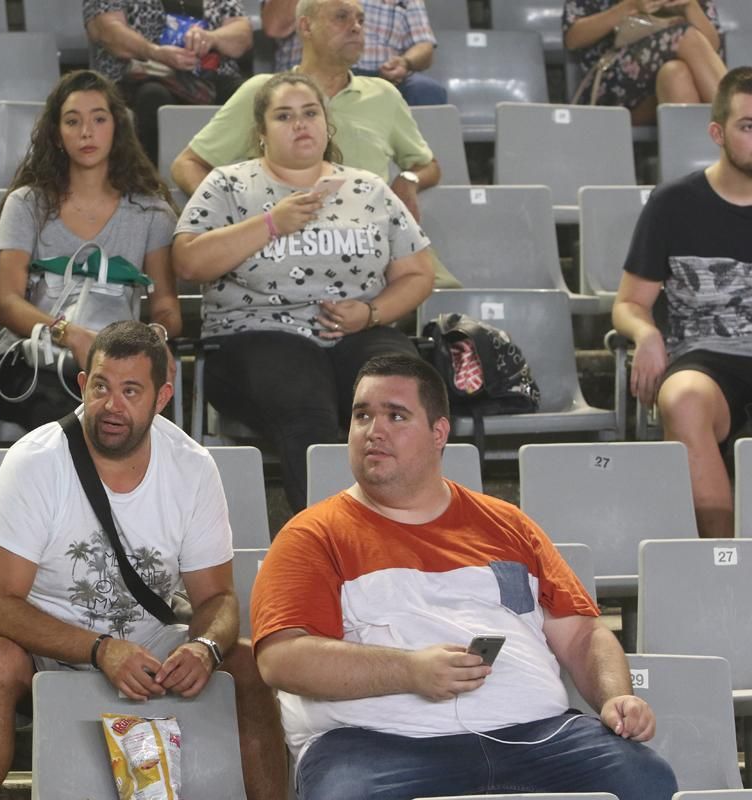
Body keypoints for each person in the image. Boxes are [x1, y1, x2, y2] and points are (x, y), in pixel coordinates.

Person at [251, 353, 679, 800]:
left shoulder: (508, 524)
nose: (373, 431)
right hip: (377, 744)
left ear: (439, 433)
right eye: (362, 416)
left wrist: (615, 698)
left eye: (395, 416)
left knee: (644, 778)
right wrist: (409, 671)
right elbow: (283, 659)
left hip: (536, 736)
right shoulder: (311, 536)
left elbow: (582, 635)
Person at [0, 320, 288, 800]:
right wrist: (100, 649)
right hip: (39, 635)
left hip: (147, 640)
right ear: (80, 385)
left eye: (131, 391)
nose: (113, 405)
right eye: (101, 387)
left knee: (249, 665)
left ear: (162, 397)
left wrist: (204, 649)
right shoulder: (35, 461)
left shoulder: (192, 468)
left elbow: (216, 597)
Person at [172, 71, 434, 512]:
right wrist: (271, 223)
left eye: (310, 113)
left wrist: (369, 312)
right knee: (305, 403)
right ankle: (326, 543)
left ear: (326, 123)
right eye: (284, 116)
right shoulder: (228, 185)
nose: (300, 124)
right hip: (256, 333)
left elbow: (418, 273)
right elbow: (188, 261)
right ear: (261, 133)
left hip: (357, 328)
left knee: (404, 387)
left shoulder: (367, 187)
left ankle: (411, 528)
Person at [0, 69, 182, 432]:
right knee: (76, 417)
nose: (86, 132)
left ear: (117, 129)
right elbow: (7, 303)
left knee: (133, 411)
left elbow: (167, 307)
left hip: (119, 363)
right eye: (72, 121)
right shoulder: (27, 203)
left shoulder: (151, 211)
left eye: (99, 119)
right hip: (34, 362)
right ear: (57, 136)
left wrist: (155, 335)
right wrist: (73, 335)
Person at [612, 67, 752, 539]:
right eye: (748, 126)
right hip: (707, 361)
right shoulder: (674, 202)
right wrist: (646, 332)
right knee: (685, 399)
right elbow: (630, 301)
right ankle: (723, 560)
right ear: (717, 132)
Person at [172, 0, 440, 225]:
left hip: (372, 248)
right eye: (341, 17)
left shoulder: (385, 95)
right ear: (306, 26)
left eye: (360, 19)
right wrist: (232, 215)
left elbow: (428, 165)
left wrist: (408, 179)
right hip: (284, 247)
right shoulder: (262, 92)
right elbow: (188, 165)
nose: (356, 27)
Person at [83, 0, 251, 159]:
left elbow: (242, 32)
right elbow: (106, 30)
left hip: (210, 78)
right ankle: (150, 181)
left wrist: (212, 38)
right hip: (140, 76)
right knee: (153, 97)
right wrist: (153, 52)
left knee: (249, 94)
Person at [564, 0, 727, 124]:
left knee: (676, 74)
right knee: (686, 36)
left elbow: (711, 48)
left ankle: (697, 164)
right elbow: (573, 38)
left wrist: (690, 7)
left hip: (665, 90)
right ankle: (741, 127)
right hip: (612, 90)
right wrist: (630, 6)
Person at [262, 0, 447, 106]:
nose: (356, 26)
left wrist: (405, 62)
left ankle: (419, 168)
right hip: (313, 72)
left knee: (426, 90)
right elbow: (273, 28)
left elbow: (424, 46)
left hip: (384, 76)